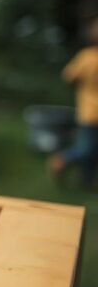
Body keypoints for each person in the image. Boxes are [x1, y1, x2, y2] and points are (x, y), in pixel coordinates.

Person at [49, 19, 98, 187]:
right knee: (88, 149)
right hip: (91, 113)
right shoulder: (87, 57)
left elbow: (69, 76)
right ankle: (61, 159)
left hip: (89, 111)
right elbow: (69, 75)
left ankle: (87, 181)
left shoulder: (86, 57)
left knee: (94, 151)